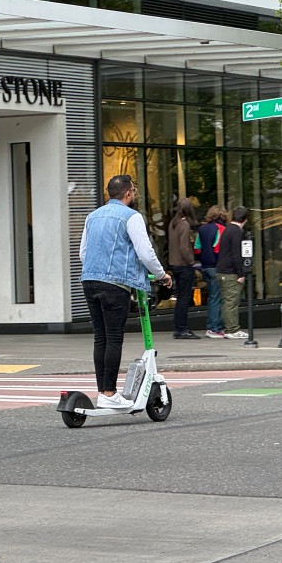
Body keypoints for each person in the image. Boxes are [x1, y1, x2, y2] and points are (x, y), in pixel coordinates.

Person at [79, 175, 172, 409]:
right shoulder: (131, 216)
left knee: (100, 338)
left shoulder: (92, 216)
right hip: (115, 285)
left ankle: (103, 391)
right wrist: (161, 274)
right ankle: (110, 393)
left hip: (90, 280)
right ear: (129, 193)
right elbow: (145, 253)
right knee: (114, 338)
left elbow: (84, 252)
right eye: (135, 190)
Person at [216, 205, 250, 340]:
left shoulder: (227, 229)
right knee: (231, 301)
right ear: (245, 219)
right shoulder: (237, 232)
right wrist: (241, 274)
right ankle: (232, 329)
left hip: (222, 271)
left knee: (226, 301)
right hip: (230, 272)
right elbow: (237, 254)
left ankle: (230, 328)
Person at [167, 197, 199, 339]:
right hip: (183, 265)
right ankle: (182, 329)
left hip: (174, 264)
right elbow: (184, 247)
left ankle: (178, 327)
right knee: (184, 298)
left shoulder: (173, 223)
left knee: (180, 297)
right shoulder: (184, 225)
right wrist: (192, 262)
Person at [195, 206, 227, 338]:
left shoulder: (201, 229)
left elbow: (197, 248)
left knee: (211, 297)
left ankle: (211, 326)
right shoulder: (221, 229)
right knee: (217, 298)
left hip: (205, 266)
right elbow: (218, 248)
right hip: (216, 266)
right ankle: (214, 328)